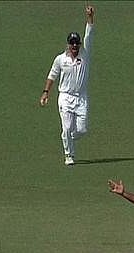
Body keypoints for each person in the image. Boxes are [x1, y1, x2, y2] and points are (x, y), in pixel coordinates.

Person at [40, 4, 96, 167]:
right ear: (68, 44)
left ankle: (70, 139)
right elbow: (52, 76)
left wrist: (90, 17)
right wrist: (46, 92)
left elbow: (89, 35)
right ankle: (69, 155)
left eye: (76, 43)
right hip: (65, 97)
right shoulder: (60, 59)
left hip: (81, 98)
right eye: (72, 44)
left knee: (81, 130)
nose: (74, 46)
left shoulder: (85, 55)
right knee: (66, 128)